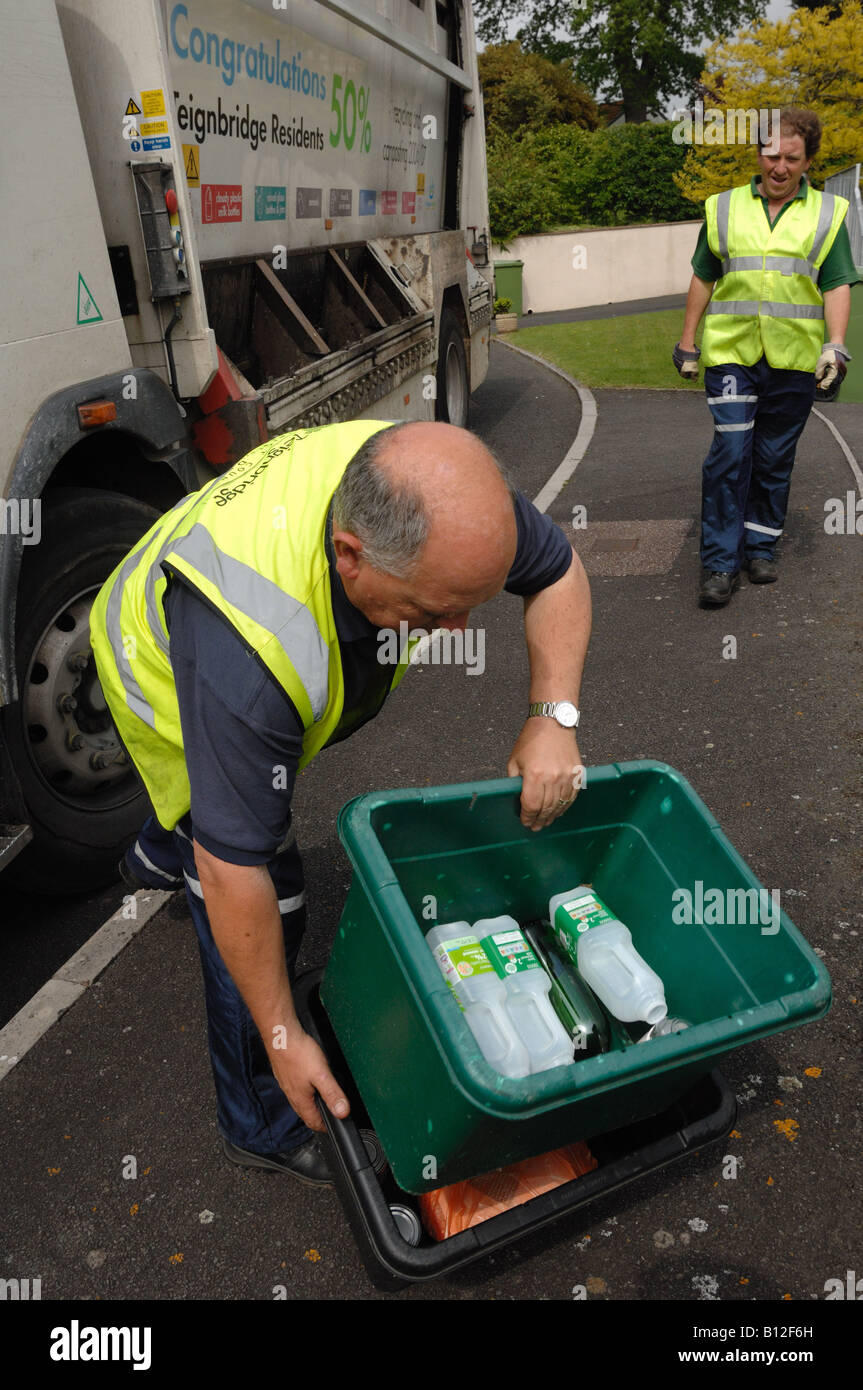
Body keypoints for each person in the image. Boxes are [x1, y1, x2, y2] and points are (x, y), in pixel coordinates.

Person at [90, 419, 592, 1186]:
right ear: (350, 556)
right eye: (435, 610)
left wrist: (552, 717)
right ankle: (257, 1117)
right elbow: (238, 875)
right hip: (157, 667)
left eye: (470, 606)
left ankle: (159, 850)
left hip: (237, 608)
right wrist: (285, 1031)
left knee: (222, 820)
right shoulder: (246, 659)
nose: (458, 634)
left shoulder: (441, 495)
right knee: (254, 874)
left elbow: (557, 571)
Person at [672, 106, 859, 606]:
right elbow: (703, 274)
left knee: (774, 458)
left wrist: (835, 345)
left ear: (808, 161)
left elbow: (838, 281)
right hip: (732, 353)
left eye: (792, 158)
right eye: (772, 154)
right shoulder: (724, 207)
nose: (780, 167)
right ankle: (718, 563)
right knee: (730, 453)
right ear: (758, 154)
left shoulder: (827, 213)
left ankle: (761, 547)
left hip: (795, 359)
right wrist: (687, 342)